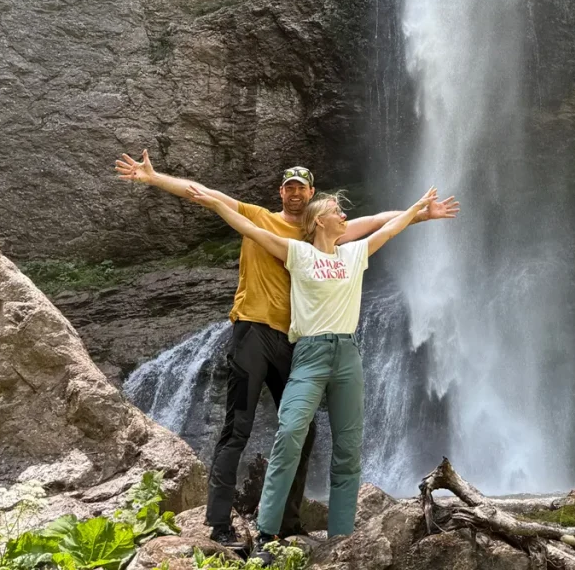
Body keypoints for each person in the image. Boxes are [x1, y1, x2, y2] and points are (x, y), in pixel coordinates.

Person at [115, 151, 458, 545]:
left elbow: (380, 222)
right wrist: (155, 178)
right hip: (254, 331)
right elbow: (204, 193)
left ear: (311, 195)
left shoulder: (324, 237)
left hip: (293, 342)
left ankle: (289, 523)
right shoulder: (265, 221)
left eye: (302, 188)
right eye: (289, 187)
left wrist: (420, 213)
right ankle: (220, 523)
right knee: (238, 428)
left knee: (304, 431)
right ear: (281, 192)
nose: (295, 193)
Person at [187, 185, 440, 558]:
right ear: (319, 220)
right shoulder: (298, 253)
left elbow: (387, 229)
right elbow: (253, 229)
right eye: (338, 212)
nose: (344, 217)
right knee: (290, 432)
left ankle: (341, 538)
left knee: (348, 449)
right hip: (308, 353)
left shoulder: (354, 253)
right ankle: (267, 534)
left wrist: (417, 210)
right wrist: (215, 205)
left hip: (347, 355)